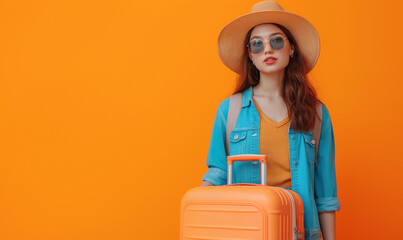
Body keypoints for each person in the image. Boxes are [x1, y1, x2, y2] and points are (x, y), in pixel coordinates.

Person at [200, 1, 341, 240]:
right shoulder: (230, 110)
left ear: (291, 48)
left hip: (302, 232)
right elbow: (218, 174)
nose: (267, 49)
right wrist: (194, 203)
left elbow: (325, 195)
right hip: (247, 231)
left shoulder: (316, 114)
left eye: (276, 41)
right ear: (250, 55)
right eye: (257, 44)